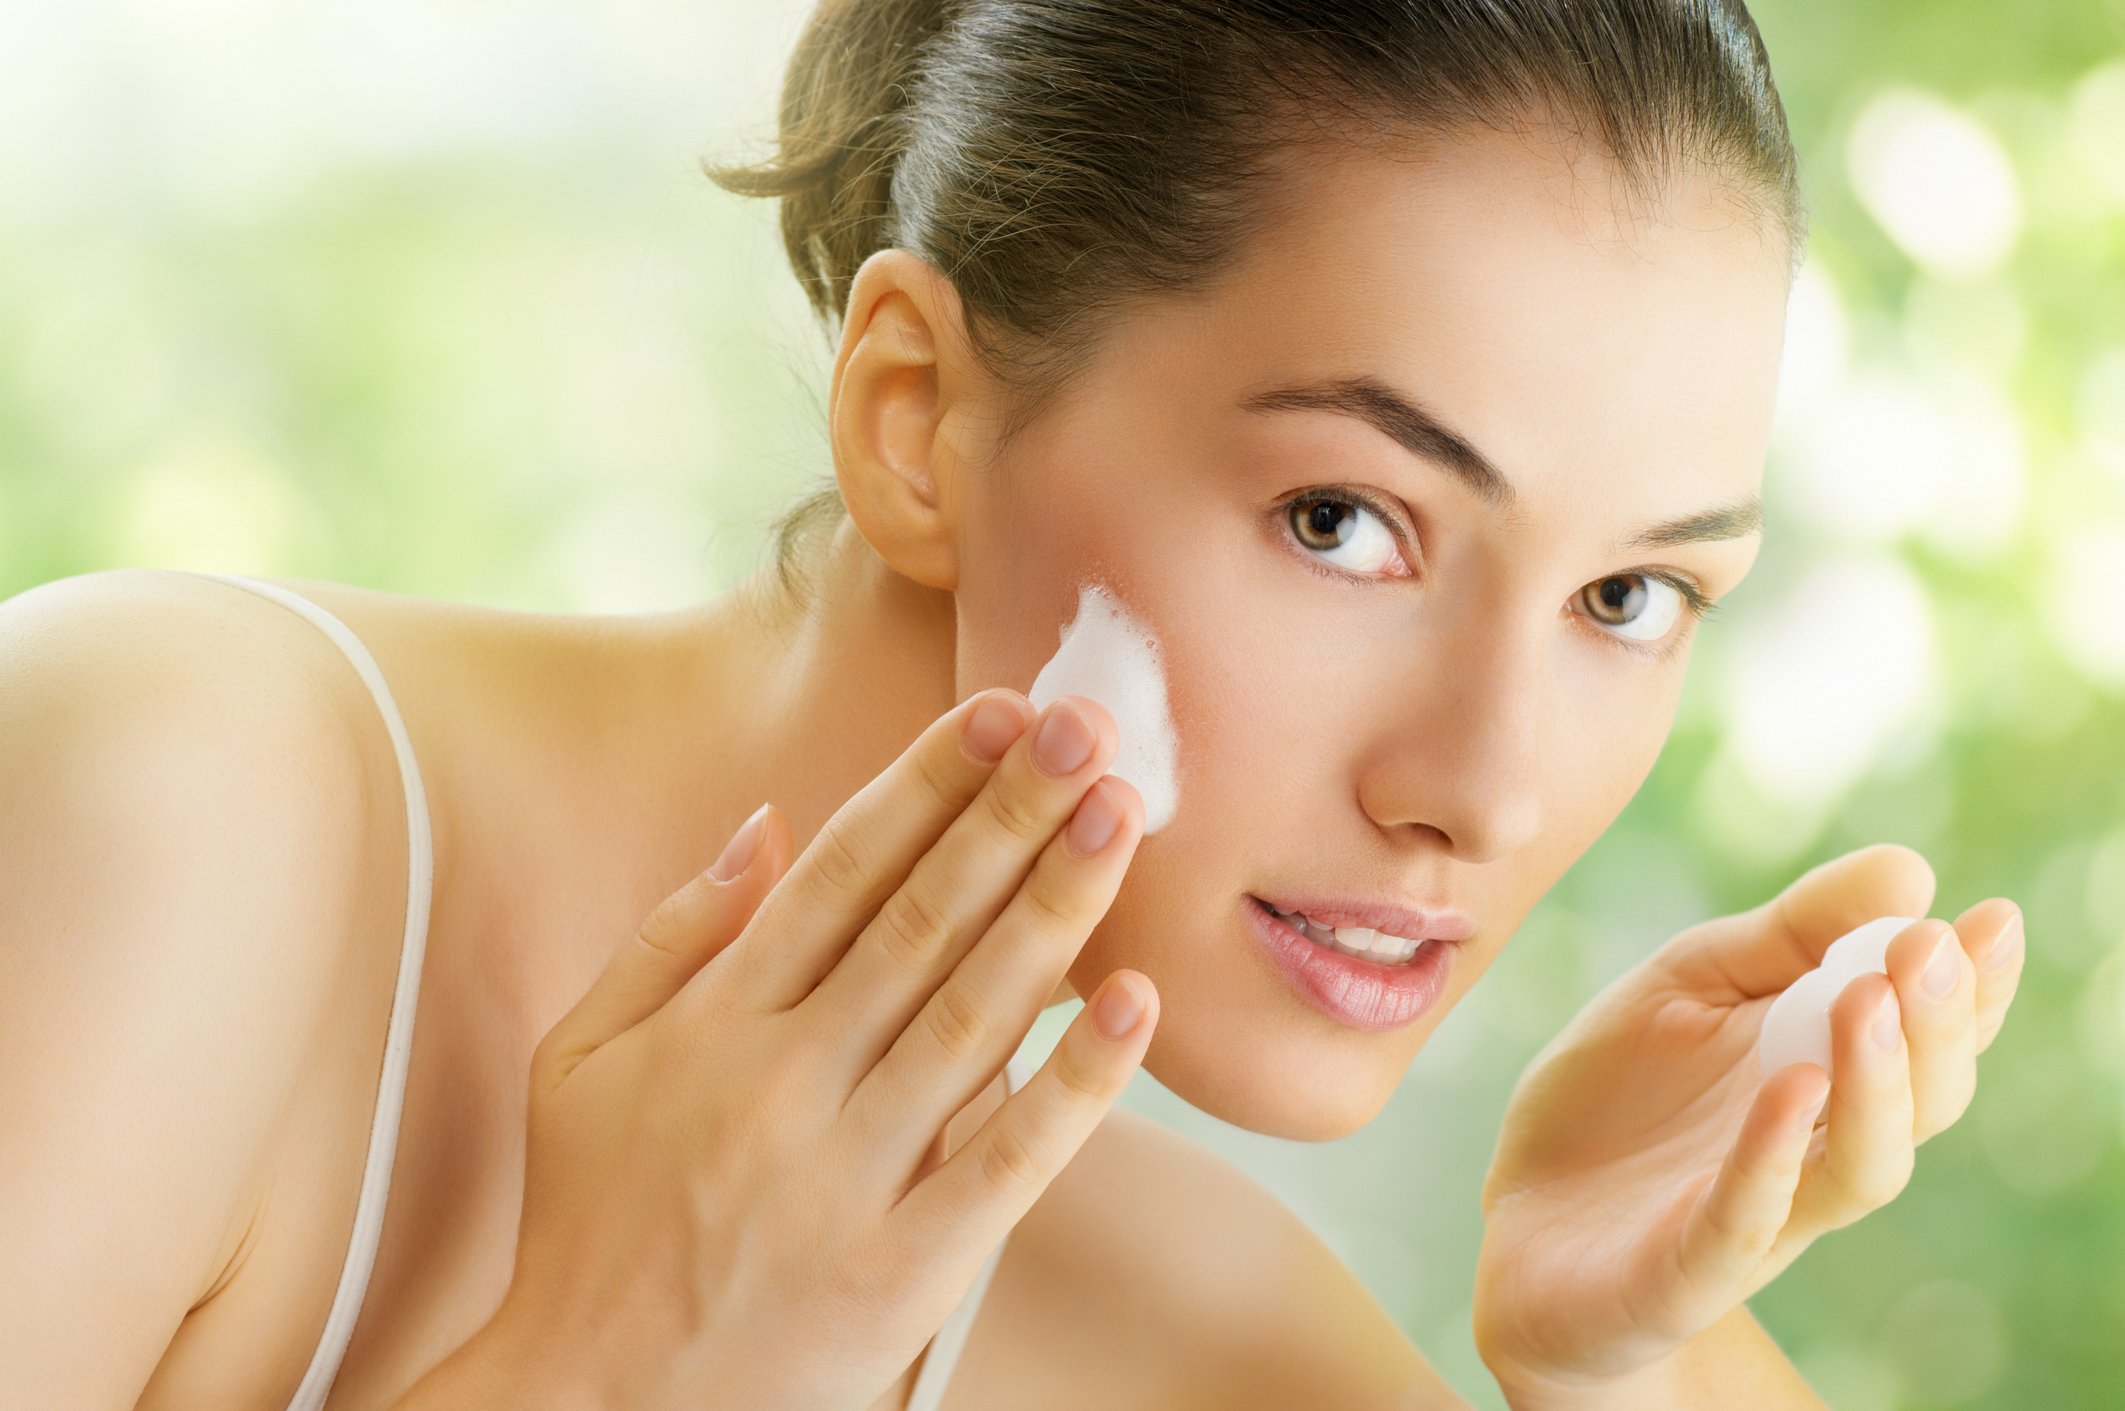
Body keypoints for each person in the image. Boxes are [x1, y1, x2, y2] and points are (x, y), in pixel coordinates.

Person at [0, 1, 2028, 1408]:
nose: (1481, 787)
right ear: (916, 420)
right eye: (1346, 520)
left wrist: (1635, 1366)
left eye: (1629, 593)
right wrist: (617, 1366)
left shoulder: (1195, 1340)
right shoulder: (175, 804)